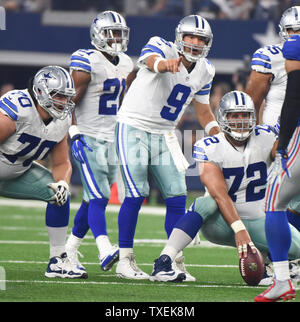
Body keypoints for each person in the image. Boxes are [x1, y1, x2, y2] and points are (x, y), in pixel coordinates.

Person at [149, 91, 300, 283]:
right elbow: (220, 194)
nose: (240, 121)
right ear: (222, 117)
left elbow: (285, 146)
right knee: (206, 202)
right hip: (221, 223)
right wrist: (239, 229)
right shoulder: (210, 146)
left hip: (259, 221)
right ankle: (164, 261)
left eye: (245, 115)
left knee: (297, 247)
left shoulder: (266, 136)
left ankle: (271, 266)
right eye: (234, 115)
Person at [115, 14, 220, 280]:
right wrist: (164, 64)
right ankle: (124, 259)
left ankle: (171, 260)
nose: (195, 42)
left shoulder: (206, 69)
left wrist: (219, 135)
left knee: (177, 196)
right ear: (179, 37)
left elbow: (204, 111)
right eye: (190, 37)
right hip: (134, 126)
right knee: (136, 193)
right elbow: (152, 61)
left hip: (164, 134)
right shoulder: (161, 46)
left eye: (201, 39)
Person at [0, 65, 86, 279]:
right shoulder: (17, 110)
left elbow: (61, 163)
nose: (64, 103)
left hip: (17, 174)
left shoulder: (61, 120)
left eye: (67, 98)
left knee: (58, 195)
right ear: (41, 93)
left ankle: (57, 260)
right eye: (59, 96)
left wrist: (63, 184)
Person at [65, 11, 134, 274]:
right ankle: (104, 248)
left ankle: (69, 249)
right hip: (88, 136)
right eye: (111, 32)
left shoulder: (127, 63)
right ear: (98, 34)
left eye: (119, 33)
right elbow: (68, 98)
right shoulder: (87, 60)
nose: (116, 37)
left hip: (112, 138)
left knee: (92, 198)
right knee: (99, 196)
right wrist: (73, 132)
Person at [254, 8, 300, 302]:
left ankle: (282, 278)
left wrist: (282, 142)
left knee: (274, 201)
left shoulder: (294, 47)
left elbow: (295, 94)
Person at [245, 6, 300, 233]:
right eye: (292, 30)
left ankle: (291, 259)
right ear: (282, 31)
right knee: (270, 200)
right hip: (273, 137)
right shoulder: (271, 56)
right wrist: (251, 140)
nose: (296, 35)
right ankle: (272, 258)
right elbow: (250, 103)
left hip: (297, 136)